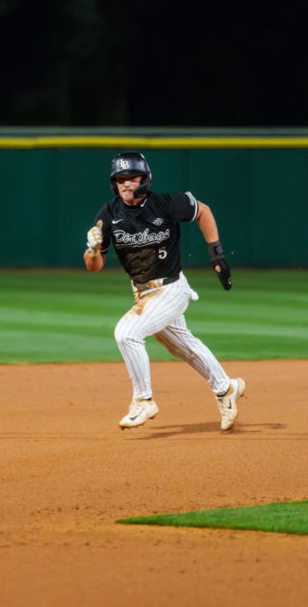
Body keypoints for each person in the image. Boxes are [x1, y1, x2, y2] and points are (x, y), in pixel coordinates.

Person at [83, 151, 245, 431]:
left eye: (131, 177)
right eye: (120, 179)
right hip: (143, 294)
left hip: (171, 289)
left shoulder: (165, 204)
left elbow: (203, 211)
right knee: (183, 347)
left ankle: (143, 400)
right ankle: (226, 388)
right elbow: (93, 267)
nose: (125, 184)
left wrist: (216, 254)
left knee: (127, 333)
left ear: (145, 179)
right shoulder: (108, 214)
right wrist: (92, 249)